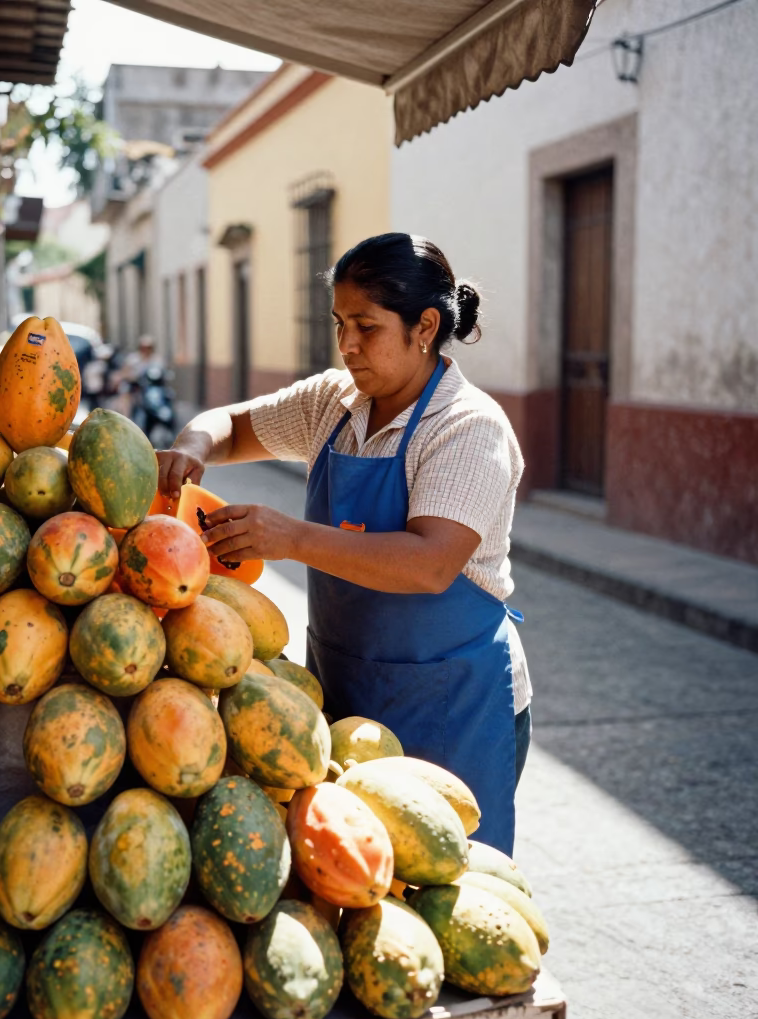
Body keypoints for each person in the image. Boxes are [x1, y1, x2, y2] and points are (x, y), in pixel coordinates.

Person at [156, 233, 532, 855]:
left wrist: (292, 538)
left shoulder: (469, 426)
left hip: (453, 702)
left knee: (447, 892)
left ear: (425, 326)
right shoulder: (334, 403)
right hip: (344, 689)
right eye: (339, 324)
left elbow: (431, 564)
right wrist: (194, 447)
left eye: (367, 326)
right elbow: (228, 425)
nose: (348, 344)